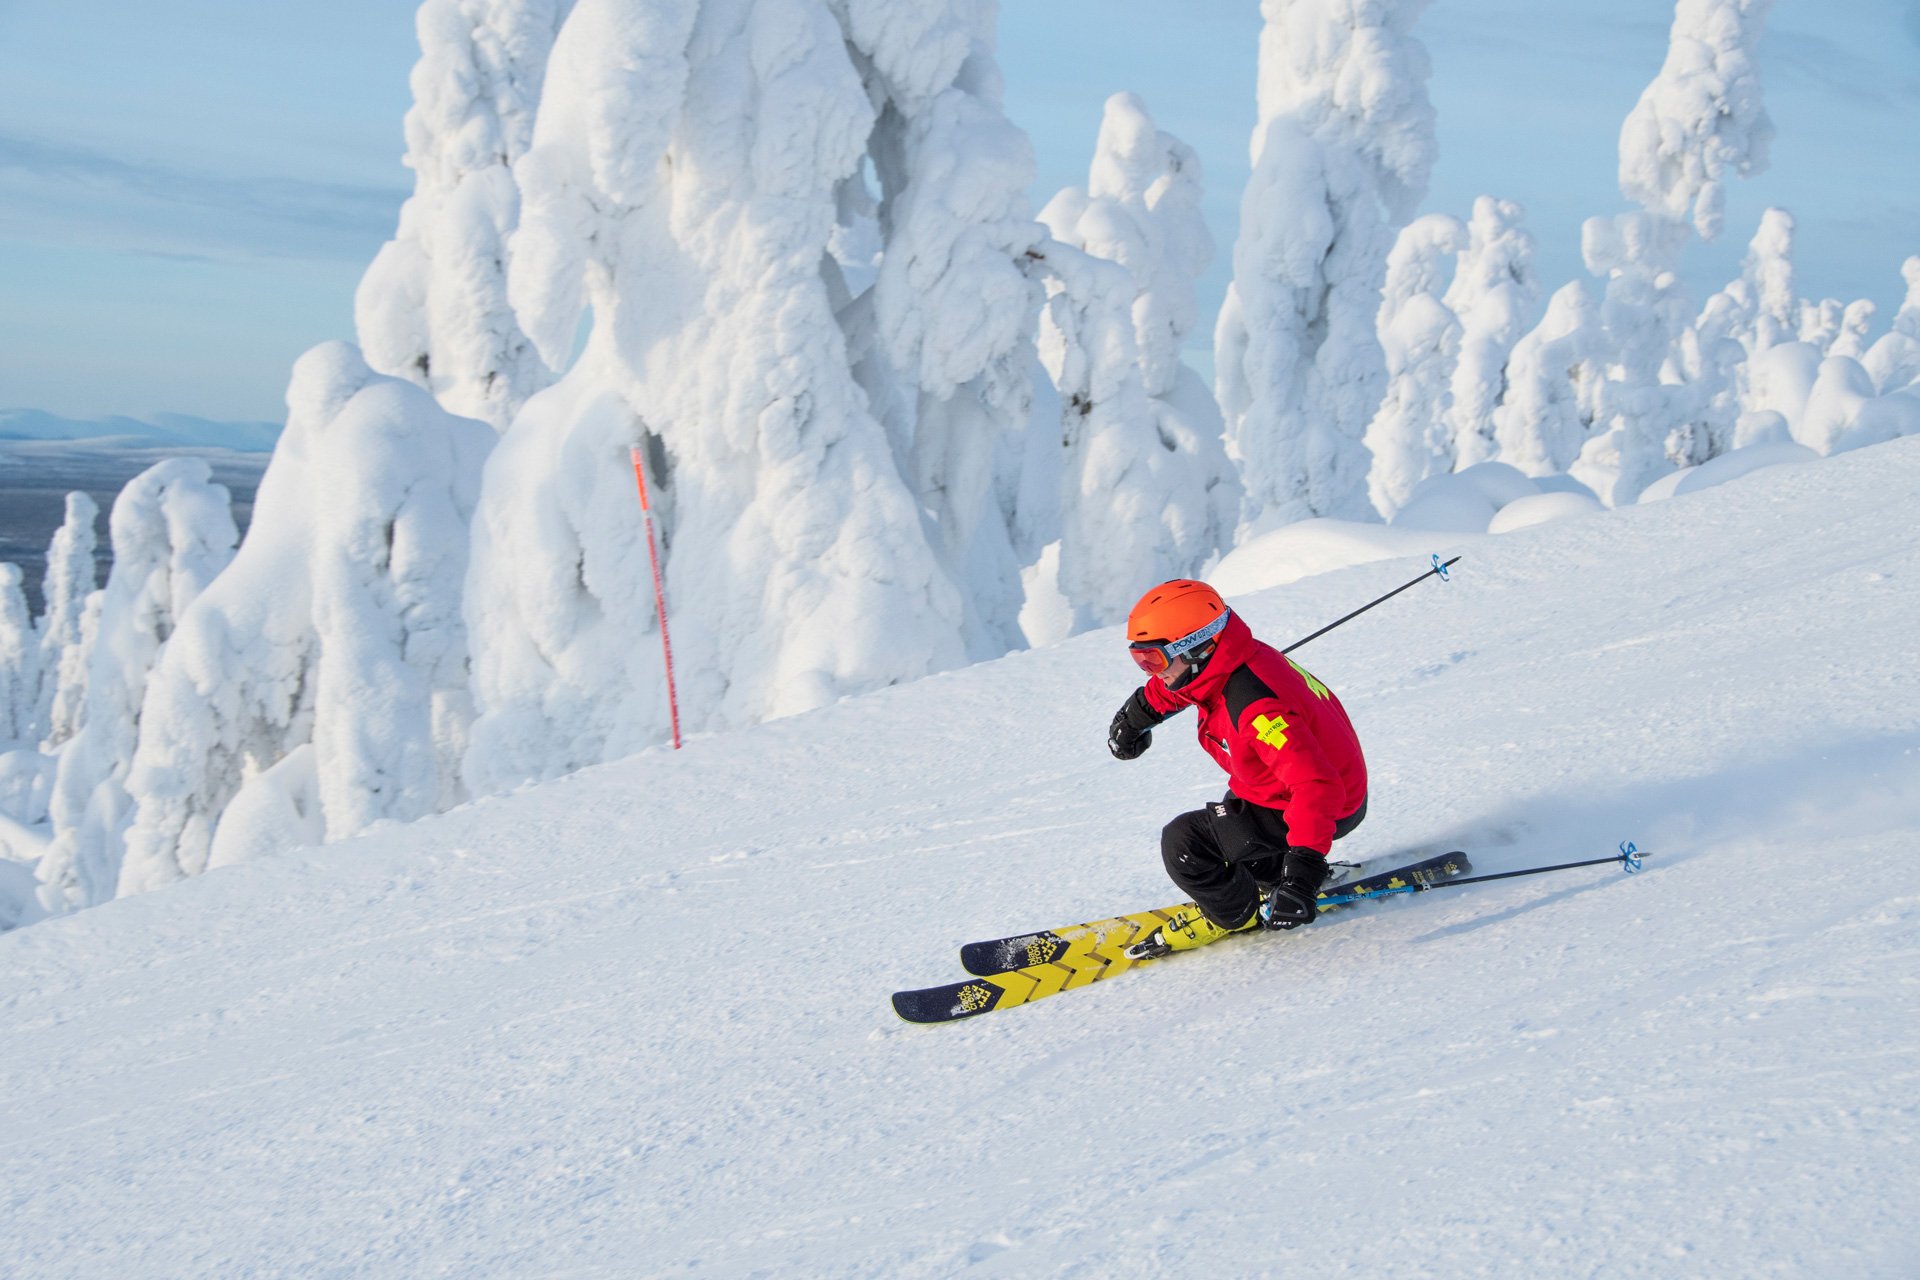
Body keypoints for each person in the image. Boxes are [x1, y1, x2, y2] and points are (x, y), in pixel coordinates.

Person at [1108, 579, 1369, 952]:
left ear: (1198, 647)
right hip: (1279, 789)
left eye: (1155, 659)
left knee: (1186, 843)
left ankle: (1234, 915)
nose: (1151, 671)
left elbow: (1316, 785)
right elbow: (1183, 685)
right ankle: (1273, 870)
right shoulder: (1228, 662)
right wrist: (1136, 717)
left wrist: (1304, 873)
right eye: (1140, 660)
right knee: (1232, 826)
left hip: (1323, 803)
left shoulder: (1256, 709)